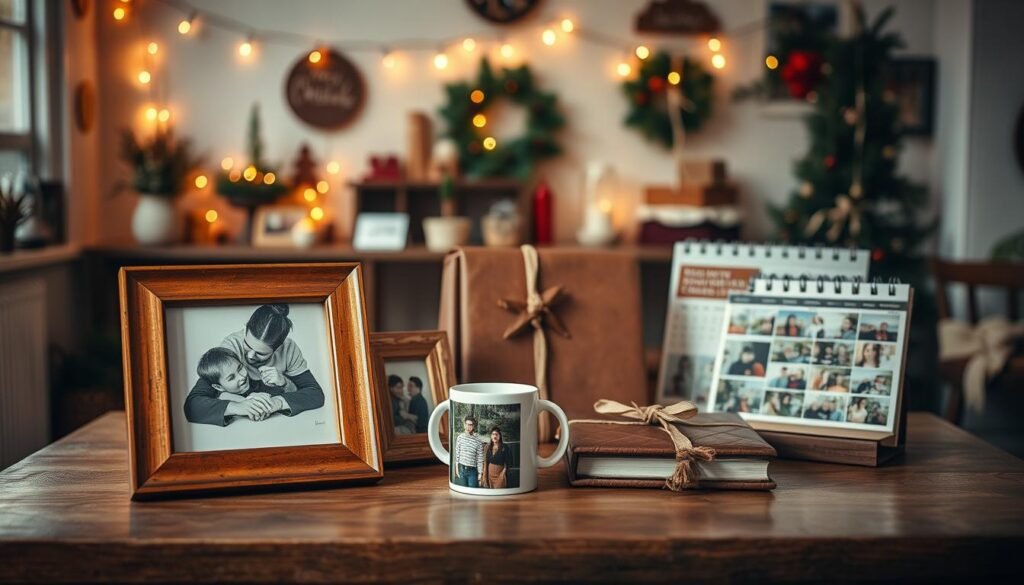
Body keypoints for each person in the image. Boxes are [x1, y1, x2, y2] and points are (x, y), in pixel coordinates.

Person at [186, 304, 325, 420]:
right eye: (247, 345)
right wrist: (239, 406)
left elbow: (315, 394)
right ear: (245, 329)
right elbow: (194, 403)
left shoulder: (289, 349)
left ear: (278, 348)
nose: (251, 356)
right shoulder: (230, 348)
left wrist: (277, 399)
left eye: (261, 353)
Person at [184, 347, 288, 426]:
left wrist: (262, 402)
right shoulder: (213, 396)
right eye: (231, 378)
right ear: (219, 387)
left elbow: (281, 395)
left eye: (240, 368)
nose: (242, 376)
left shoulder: (259, 385)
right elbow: (192, 407)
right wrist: (238, 405)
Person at [453, 416, 484, 488]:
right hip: (462, 470)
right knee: (463, 492)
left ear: (473, 426)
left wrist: (480, 473)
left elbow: (479, 458)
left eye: (470, 425)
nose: (468, 427)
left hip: (472, 471)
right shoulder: (460, 437)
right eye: (466, 424)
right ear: (464, 425)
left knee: (472, 492)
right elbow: (457, 454)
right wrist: (457, 468)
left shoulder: (478, 440)